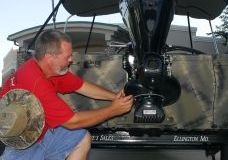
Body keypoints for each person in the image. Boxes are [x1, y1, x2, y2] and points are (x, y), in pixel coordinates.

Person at [0, 29, 134, 160]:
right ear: (50, 57)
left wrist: (114, 96)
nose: (71, 59)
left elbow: (81, 86)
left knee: (81, 138)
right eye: (67, 56)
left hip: (42, 133)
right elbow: (72, 122)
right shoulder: (37, 84)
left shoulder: (47, 69)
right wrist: (113, 110)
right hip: (23, 147)